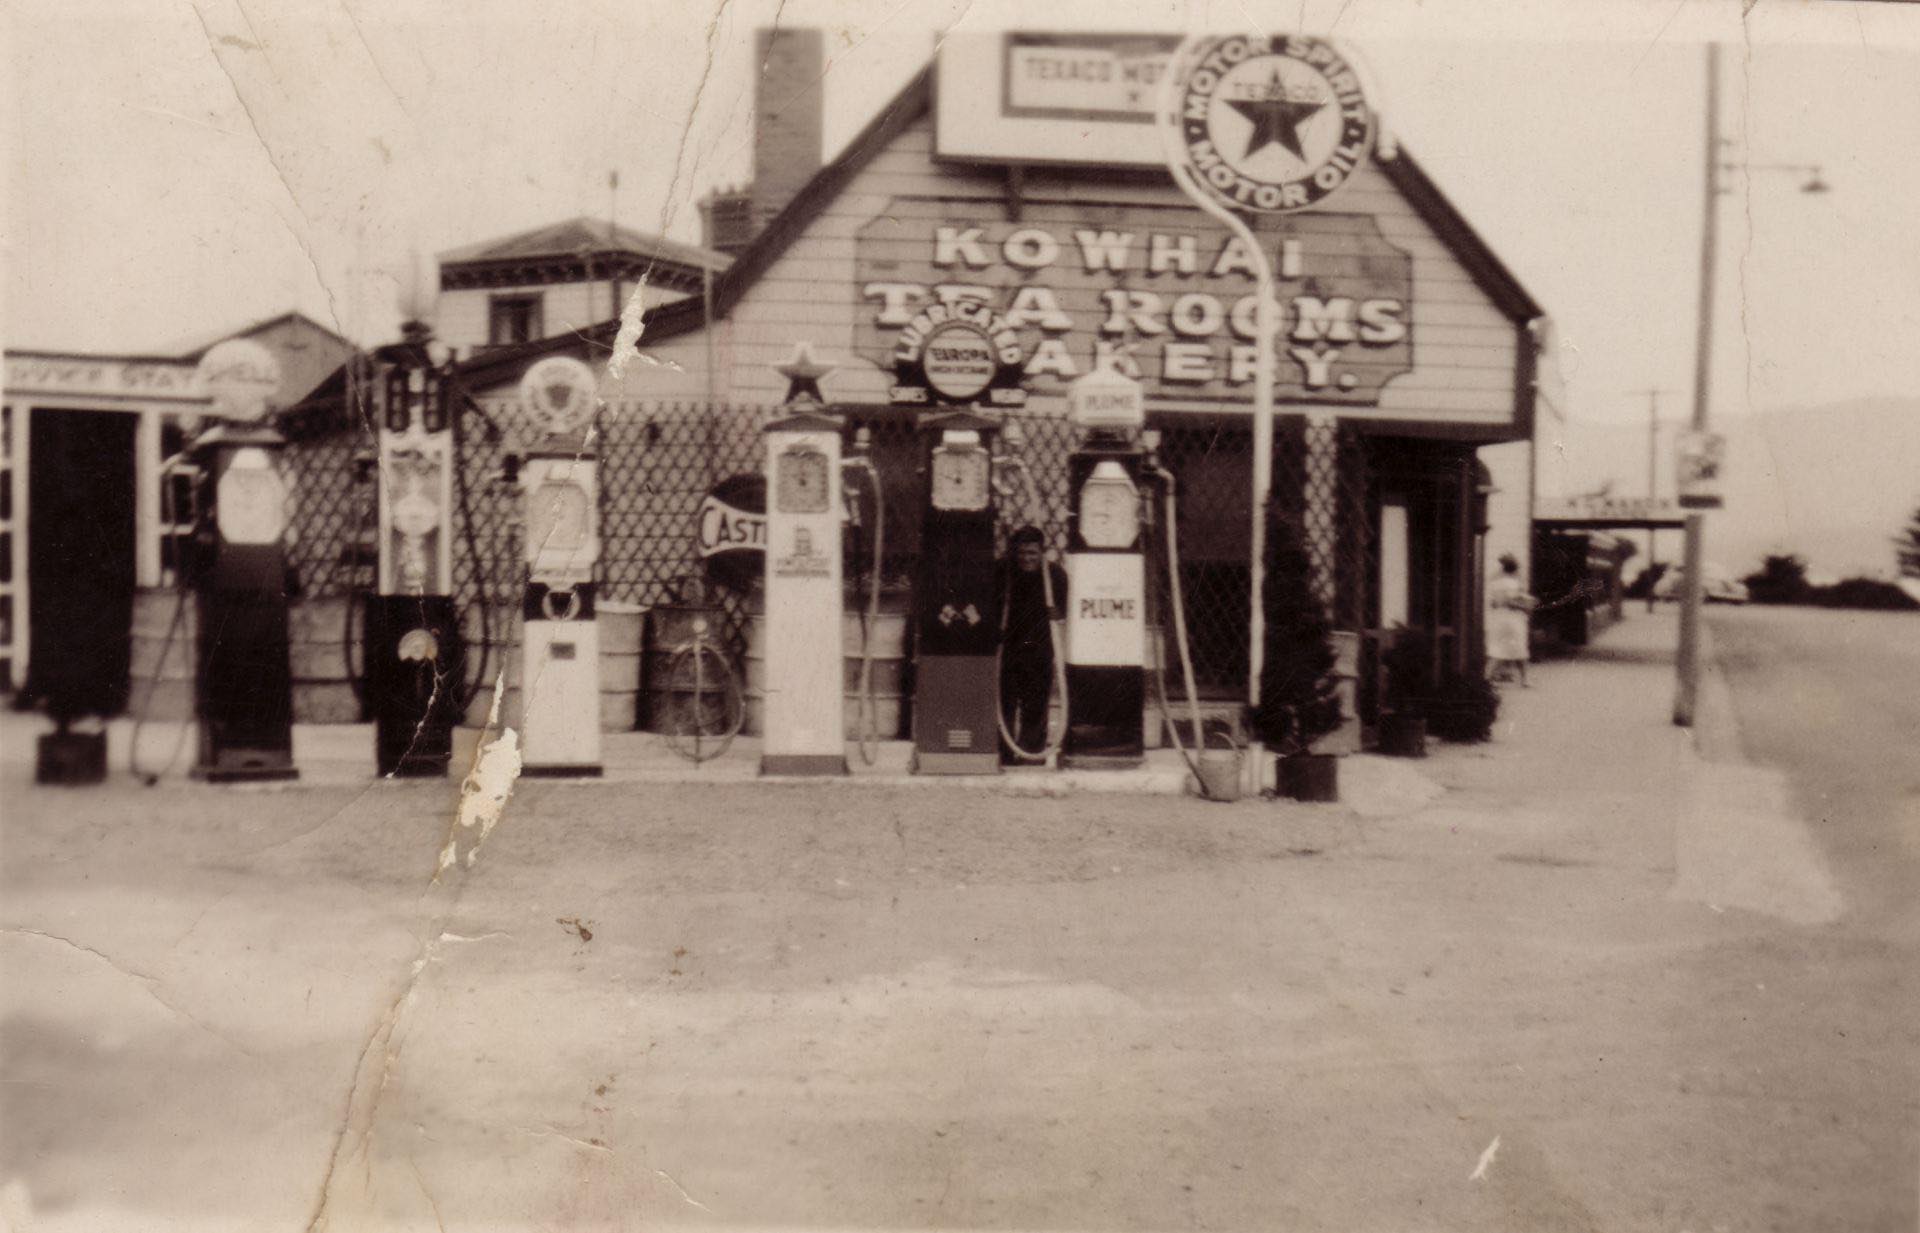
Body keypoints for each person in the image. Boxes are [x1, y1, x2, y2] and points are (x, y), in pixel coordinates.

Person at [997, 526, 1067, 763]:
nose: (1026, 558)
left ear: (1042, 552)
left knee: (1036, 703)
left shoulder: (1055, 575)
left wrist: (1057, 612)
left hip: (1039, 647)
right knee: (1004, 701)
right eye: (1022, 553)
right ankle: (1003, 752)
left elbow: (1062, 611)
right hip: (1008, 647)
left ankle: (1032, 754)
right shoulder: (1004, 572)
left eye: (1032, 553)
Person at [1486, 553, 1535, 686]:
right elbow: (1511, 602)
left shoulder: (1494, 582)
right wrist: (1526, 605)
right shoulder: (1514, 583)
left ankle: (1487, 677)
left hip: (1498, 618)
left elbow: (1493, 603)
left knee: (1498, 649)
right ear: (1514, 568)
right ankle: (1525, 679)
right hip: (1513, 618)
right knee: (1520, 649)